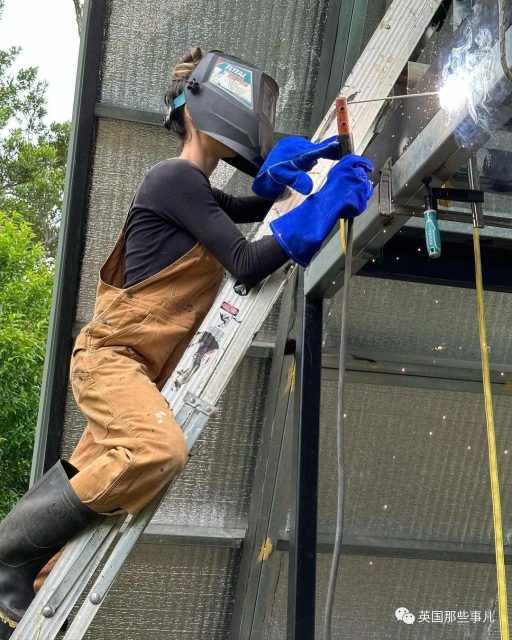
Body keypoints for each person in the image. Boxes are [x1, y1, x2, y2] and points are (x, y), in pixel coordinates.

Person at [0, 46, 374, 638]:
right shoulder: (174, 177)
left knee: (98, 473)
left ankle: (26, 579)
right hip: (112, 360)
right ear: (199, 112)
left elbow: (247, 211)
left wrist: (286, 182)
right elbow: (248, 260)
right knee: (158, 452)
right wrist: (323, 204)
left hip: (135, 371)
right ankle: (7, 553)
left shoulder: (195, 191)